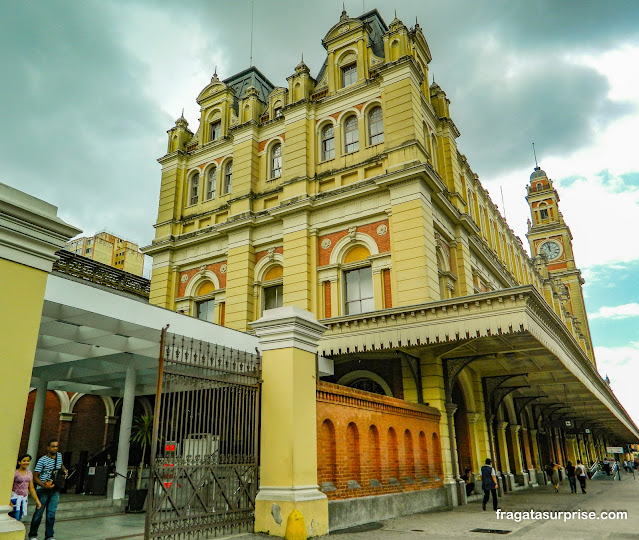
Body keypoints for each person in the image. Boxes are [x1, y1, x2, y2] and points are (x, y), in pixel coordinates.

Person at [28, 439, 68, 540]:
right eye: (53, 446)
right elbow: (36, 475)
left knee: (51, 514)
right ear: (48, 448)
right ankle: (33, 535)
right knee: (38, 514)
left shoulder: (59, 456)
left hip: (55, 488)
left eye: (56, 446)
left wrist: (64, 470)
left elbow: (61, 465)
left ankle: (49, 536)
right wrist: (43, 485)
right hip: (43, 489)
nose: (55, 448)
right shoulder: (42, 460)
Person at [10, 454, 41, 521]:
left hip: (24, 499)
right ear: (19, 462)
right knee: (15, 518)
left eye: (28, 461)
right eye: (24, 461)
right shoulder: (15, 473)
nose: (26, 462)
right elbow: (9, 487)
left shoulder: (29, 473)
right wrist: (9, 500)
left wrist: (37, 500)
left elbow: (31, 488)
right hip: (14, 498)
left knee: (20, 517)